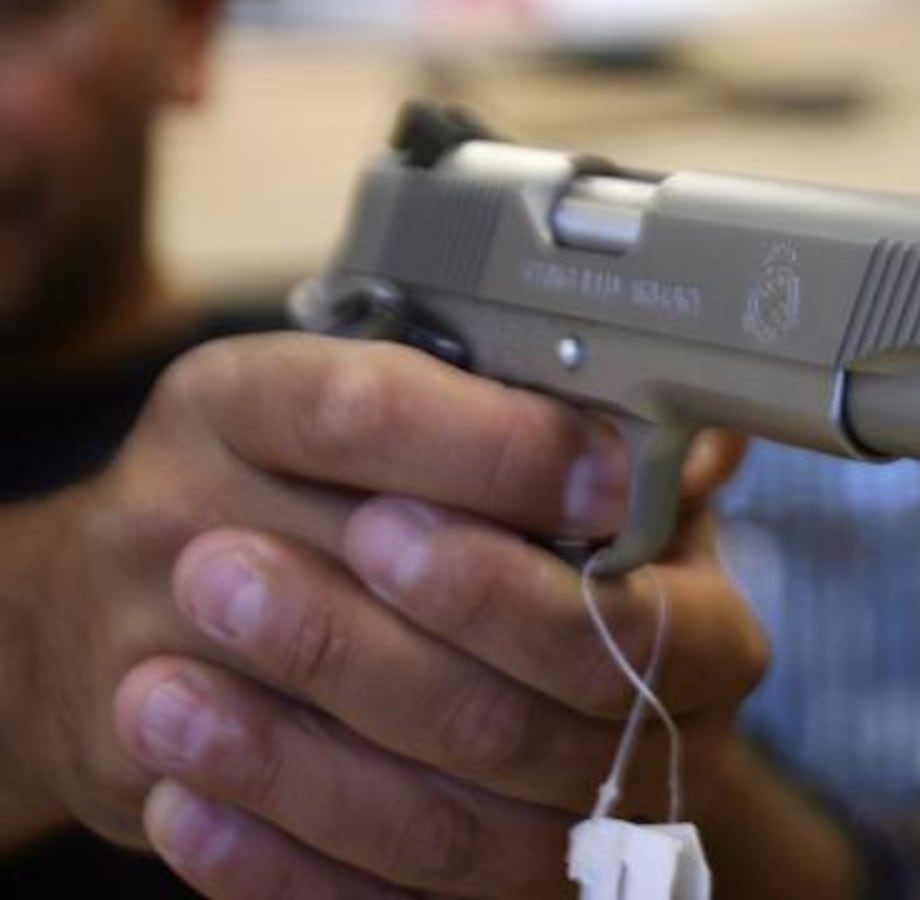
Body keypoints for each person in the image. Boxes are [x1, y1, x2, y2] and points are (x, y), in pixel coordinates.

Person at [0, 1, 870, 896]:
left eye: (18, 17)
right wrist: (36, 657)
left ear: (186, 34)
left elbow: (834, 879)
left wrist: (634, 749)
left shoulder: (377, 402)